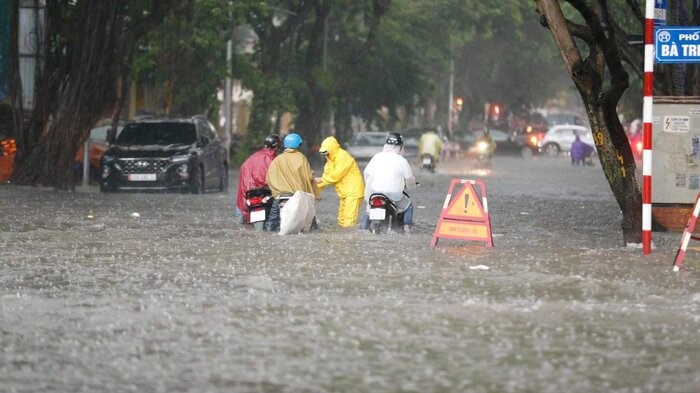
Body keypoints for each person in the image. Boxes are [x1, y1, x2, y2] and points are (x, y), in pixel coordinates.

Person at [264, 132, 321, 232]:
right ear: (299, 145)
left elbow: (269, 178)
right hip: (298, 196)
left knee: (272, 223)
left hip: (281, 196)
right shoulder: (302, 158)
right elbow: (308, 177)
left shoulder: (277, 159)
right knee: (311, 222)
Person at [361, 132, 416, 232]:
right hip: (393, 195)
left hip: (373, 193)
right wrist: (411, 187)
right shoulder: (402, 161)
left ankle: (363, 229)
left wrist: (369, 188)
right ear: (400, 146)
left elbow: (366, 173)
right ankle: (407, 227)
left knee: (369, 210)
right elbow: (410, 180)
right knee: (408, 205)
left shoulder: (377, 157)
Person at [315, 136, 365, 228]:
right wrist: (313, 189)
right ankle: (342, 240)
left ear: (332, 149)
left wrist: (321, 180)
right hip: (344, 194)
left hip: (353, 193)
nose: (325, 155)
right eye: (324, 153)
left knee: (349, 222)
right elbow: (326, 179)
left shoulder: (343, 156)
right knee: (341, 221)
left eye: (326, 152)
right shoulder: (329, 162)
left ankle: (350, 241)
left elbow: (337, 175)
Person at [236, 134, 280, 225]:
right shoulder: (274, 160)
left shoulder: (253, 157)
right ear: (276, 147)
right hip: (264, 194)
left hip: (247, 195)